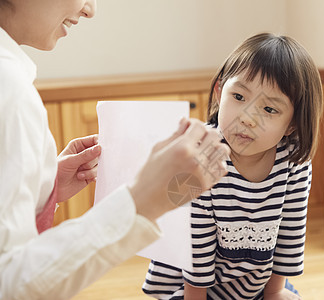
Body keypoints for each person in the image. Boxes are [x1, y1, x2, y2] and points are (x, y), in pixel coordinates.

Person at [0, 0, 230, 299]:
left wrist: (43, 189)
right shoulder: (11, 94)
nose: (90, 9)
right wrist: (141, 201)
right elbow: (11, 284)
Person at [142, 33, 324, 299]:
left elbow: (290, 235)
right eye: (239, 97)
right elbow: (196, 252)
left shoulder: (293, 161)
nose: (248, 118)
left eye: (269, 110)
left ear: (293, 124)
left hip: (253, 287)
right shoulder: (201, 154)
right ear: (219, 93)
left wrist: (274, 293)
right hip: (190, 289)